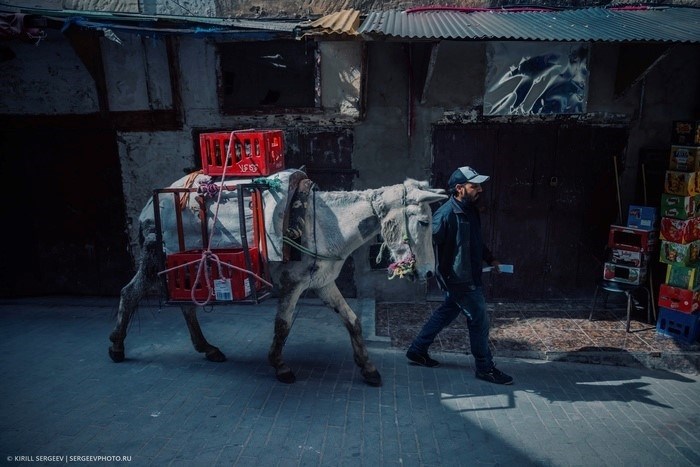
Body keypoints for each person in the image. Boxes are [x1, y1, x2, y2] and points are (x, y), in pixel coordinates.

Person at [406, 166, 513, 385]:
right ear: (459, 188)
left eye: (480, 186)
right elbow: (425, 240)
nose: (480, 190)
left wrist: (490, 258)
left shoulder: (470, 210)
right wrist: (409, 257)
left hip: (469, 275)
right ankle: (485, 367)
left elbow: (475, 241)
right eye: (474, 186)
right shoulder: (445, 215)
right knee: (479, 320)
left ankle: (417, 350)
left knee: (447, 312)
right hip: (459, 279)